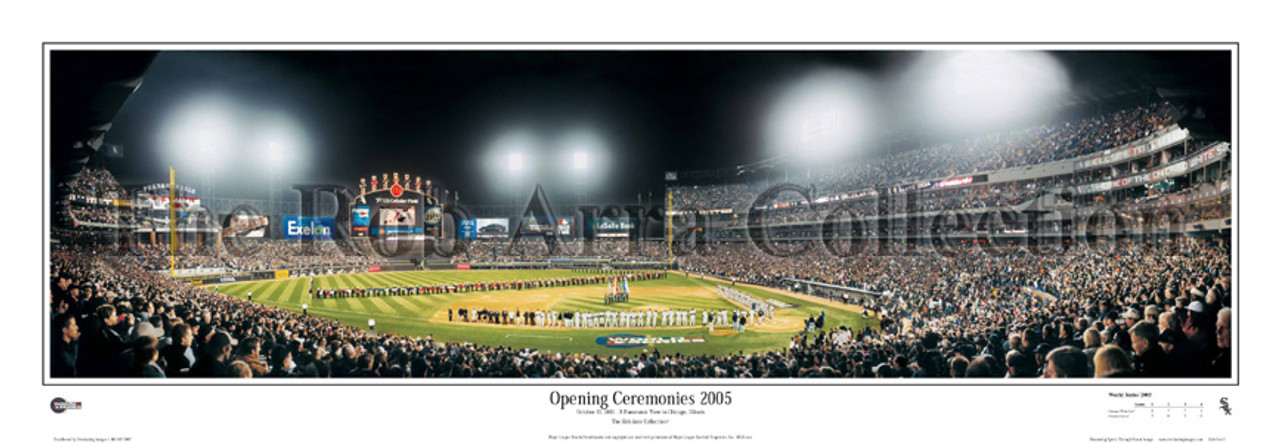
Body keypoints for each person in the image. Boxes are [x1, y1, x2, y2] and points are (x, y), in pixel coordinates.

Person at [51, 313, 79, 377]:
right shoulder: (62, 354)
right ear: (64, 330)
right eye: (74, 325)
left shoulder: (68, 344)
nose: (77, 328)